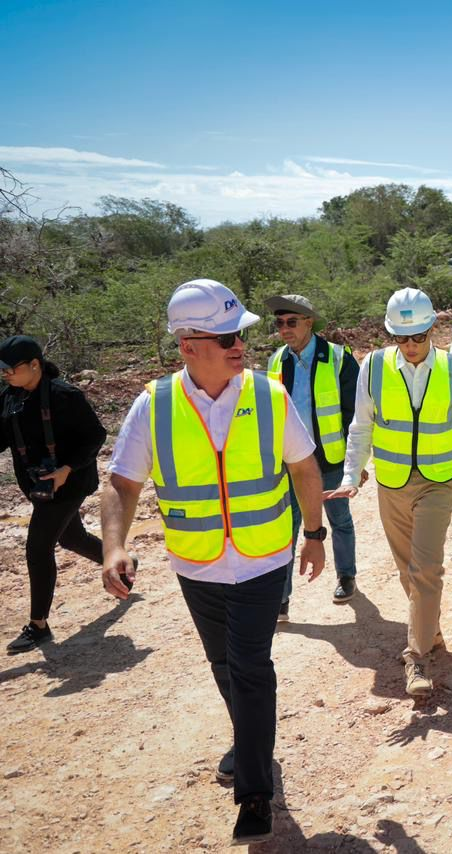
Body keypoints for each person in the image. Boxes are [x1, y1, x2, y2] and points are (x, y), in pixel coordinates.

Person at [100, 278, 327, 845]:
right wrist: (113, 546)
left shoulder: (269, 396)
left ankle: (254, 793)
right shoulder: (154, 406)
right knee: (224, 666)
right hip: (196, 564)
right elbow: (122, 483)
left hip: (262, 561)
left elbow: (303, 467)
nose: (239, 345)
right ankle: (251, 741)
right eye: (226, 337)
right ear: (188, 345)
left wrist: (315, 533)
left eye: (240, 334)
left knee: (249, 667)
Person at [323, 288, 452, 697]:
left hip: (440, 481)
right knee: (409, 571)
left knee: (426, 569)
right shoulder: (373, 367)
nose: (410, 345)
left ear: (432, 330)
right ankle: (430, 631)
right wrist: (351, 475)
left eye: (418, 337)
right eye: (401, 338)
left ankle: (416, 657)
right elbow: (361, 426)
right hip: (391, 483)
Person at [1, 335, 110, 653]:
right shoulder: (9, 399)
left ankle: (39, 626)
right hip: (39, 487)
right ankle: (120, 562)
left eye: (10, 368)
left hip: (70, 484)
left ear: (34, 364)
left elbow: (95, 436)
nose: (5, 374)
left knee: (38, 548)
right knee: (72, 538)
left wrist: (65, 469)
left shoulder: (65, 396)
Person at [265, 293, 359, 615]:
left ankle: (346, 576)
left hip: (330, 459)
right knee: (287, 527)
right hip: (291, 463)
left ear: (309, 322)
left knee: (339, 519)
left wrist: (355, 463)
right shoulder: (276, 362)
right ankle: (281, 598)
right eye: (279, 323)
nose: (284, 329)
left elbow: (355, 415)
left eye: (291, 322)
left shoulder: (338, 358)